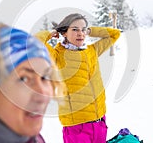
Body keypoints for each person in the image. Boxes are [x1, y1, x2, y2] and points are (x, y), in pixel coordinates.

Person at [35, 13, 121, 143]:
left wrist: (91, 31)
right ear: (64, 32)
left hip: (99, 122)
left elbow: (115, 34)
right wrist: (50, 33)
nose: (80, 33)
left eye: (83, 29)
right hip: (77, 126)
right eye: (75, 29)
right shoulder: (57, 56)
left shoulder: (92, 50)